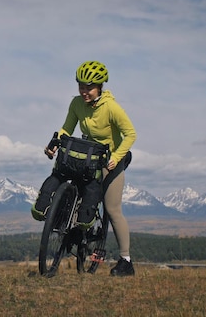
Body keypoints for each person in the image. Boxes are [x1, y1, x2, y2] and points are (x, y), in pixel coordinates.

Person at [31, 61, 137, 276]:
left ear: (100, 86)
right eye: (81, 86)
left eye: (89, 87)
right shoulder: (77, 104)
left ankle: (126, 261)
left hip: (111, 160)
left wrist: (116, 158)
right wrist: (53, 145)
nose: (84, 91)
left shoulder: (111, 108)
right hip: (89, 157)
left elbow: (131, 134)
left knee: (112, 209)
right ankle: (75, 226)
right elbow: (67, 129)